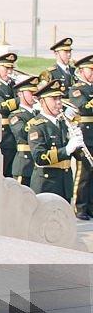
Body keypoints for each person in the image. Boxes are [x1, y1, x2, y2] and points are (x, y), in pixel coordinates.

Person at [25, 77, 78, 201]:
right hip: (47, 183)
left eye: (59, 98)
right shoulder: (36, 125)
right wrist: (67, 149)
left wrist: (78, 144)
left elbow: (77, 156)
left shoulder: (63, 123)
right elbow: (40, 157)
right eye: (54, 99)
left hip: (65, 182)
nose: (59, 102)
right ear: (42, 102)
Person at [68, 54, 93, 220]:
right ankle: (80, 206)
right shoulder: (77, 89)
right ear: (81, 70)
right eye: (90, 70)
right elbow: (84, 107)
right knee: (83, 173)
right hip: (86, 135)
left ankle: (90, 206)